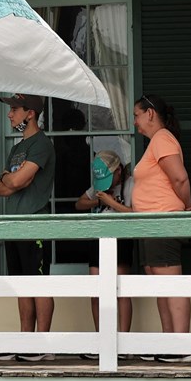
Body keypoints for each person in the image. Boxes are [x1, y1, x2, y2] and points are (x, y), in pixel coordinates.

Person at [125, 94, 191, 361]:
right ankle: (168, 341)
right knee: (159, 284)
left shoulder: (162, 139)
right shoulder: (156, 142)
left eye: (136, 115)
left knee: (170, 283)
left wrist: (187, 204)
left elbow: (179, 177)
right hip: (149, 224)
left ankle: (181, 346)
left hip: (162, 220)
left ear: (150, 113)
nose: (134, 122)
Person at [0, 93, 57, 362]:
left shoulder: (42, 144)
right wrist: (11, 178)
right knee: (21, 285)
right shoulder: (17, 148)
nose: (10, 115)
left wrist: (12, 179)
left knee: (39, 283)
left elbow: (16, 183)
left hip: (35, 224)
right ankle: (25, 341)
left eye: (15, 110)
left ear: (30, 113)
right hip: (14, 225)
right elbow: (1, 189)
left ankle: (44, 344)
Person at [73, 149, 134, 359]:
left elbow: (136, 211)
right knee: (96, 290)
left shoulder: (131, 184)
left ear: (118, 171)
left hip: (122, 238)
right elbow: (79, 203)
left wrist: (112, 203)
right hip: (98, 237)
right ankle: (101, 341)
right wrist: (98, 201)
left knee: (121, 290)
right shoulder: (99, 186)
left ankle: (123, 344)